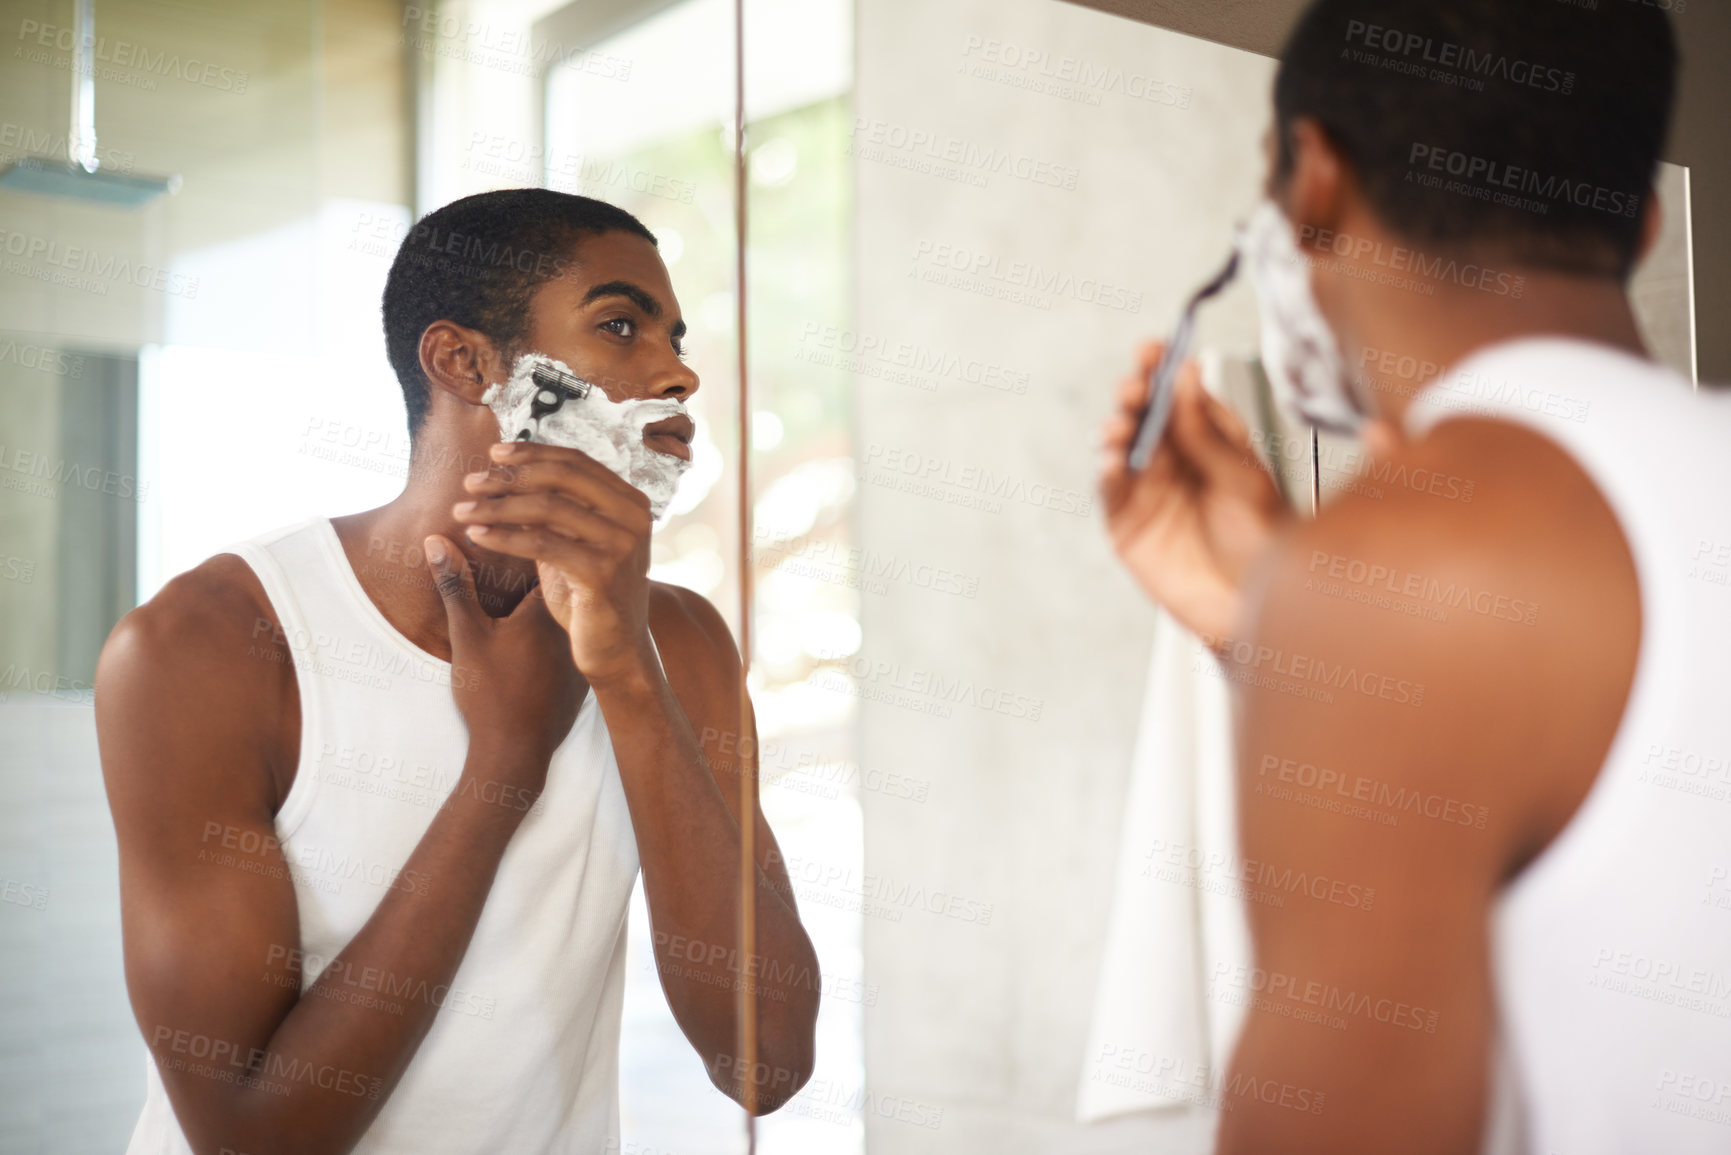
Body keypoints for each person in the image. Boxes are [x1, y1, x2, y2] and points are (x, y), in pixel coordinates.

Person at [1099, 1, 1731, 1152]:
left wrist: (1328, 613)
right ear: (1641, 225)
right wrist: (1272, 636)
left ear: (1318, 182)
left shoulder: (1395, 575)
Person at [95, 189, 819, 1155]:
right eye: (620, 326)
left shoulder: (678, 642)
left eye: (674, 336)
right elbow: (251, 1139)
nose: (679, 374)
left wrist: (625, 671)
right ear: (464, 362)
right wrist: (504, 764)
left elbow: (765, 1061)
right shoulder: (209, 646)